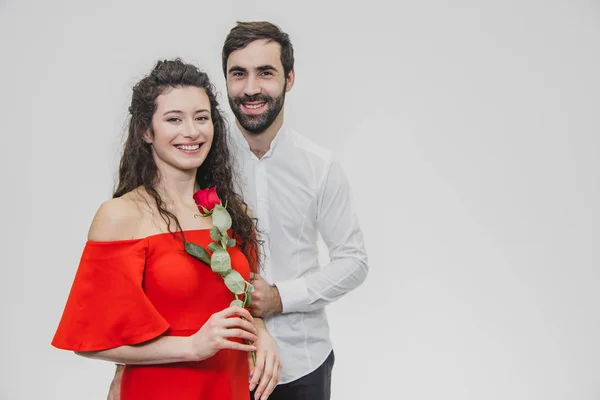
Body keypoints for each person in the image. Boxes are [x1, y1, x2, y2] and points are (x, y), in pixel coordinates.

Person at [51, 59, 281, 400]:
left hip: (230, 388)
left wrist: (261, 332)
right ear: (147, 131)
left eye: (201, 118)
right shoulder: (120, 216)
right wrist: (192, 346)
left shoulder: (232, 212)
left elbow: (242, 299)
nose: (191, 131)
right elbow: (91, 343)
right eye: (174, 119)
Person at [223, 21, 369, 400]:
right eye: (239, 74)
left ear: (289, 79)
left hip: (302, 362)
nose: (251, 88)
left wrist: (281, 297)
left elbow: (353, 261)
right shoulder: (204, 163)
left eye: (265, 73)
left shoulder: (320, 166)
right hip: (221, 364)